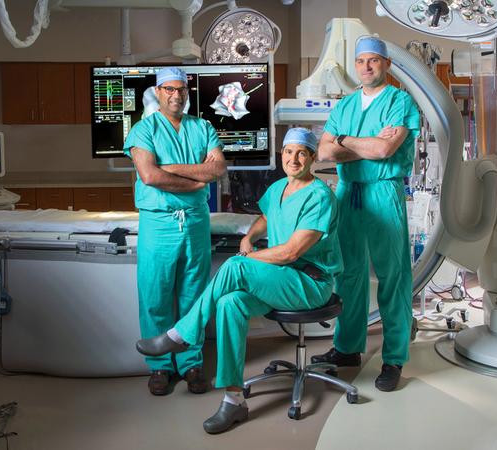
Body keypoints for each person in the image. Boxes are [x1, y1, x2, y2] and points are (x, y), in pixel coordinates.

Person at [136, 128, 342, 434]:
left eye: (301, 153)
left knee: (235, 265)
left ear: (312, 157)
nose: (294, 159)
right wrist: (250, 236)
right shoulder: (279, 188)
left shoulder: (320, 196)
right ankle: (233, 401)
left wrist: (247, 258)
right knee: (230, 303)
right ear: (281, 156)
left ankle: (182, 333)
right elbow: (267, 217)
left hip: (310, 284)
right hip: (282, 280)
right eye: (288, 152)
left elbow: (290, 253)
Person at [311, 36, 421, 392]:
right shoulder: (344, 106)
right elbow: (325, 153)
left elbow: (386, 148)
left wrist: (345, 141)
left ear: (386, 64)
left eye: (374, 61)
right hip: (348, 193)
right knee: (349, 275)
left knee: (393, 277)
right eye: (361, 62)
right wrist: (362, 145)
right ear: (355, 66)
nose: (367, 67)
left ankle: (393, 358)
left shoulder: (400, 101)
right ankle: (347, 348)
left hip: (383, 191)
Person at [124, 67, 226, 396]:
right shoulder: (143, 130)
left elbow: (219, 168)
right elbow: (149, 177)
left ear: (188, 91)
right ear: (158, 91)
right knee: (156, 295)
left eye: (181, 89)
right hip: (158, 222)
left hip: (195, 220)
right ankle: (160, 367)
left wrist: (170, 169)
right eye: (169, 89)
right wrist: (197, 181)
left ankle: (191, 364)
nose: (176, 95)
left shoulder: (203, 127)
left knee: (193, 295)